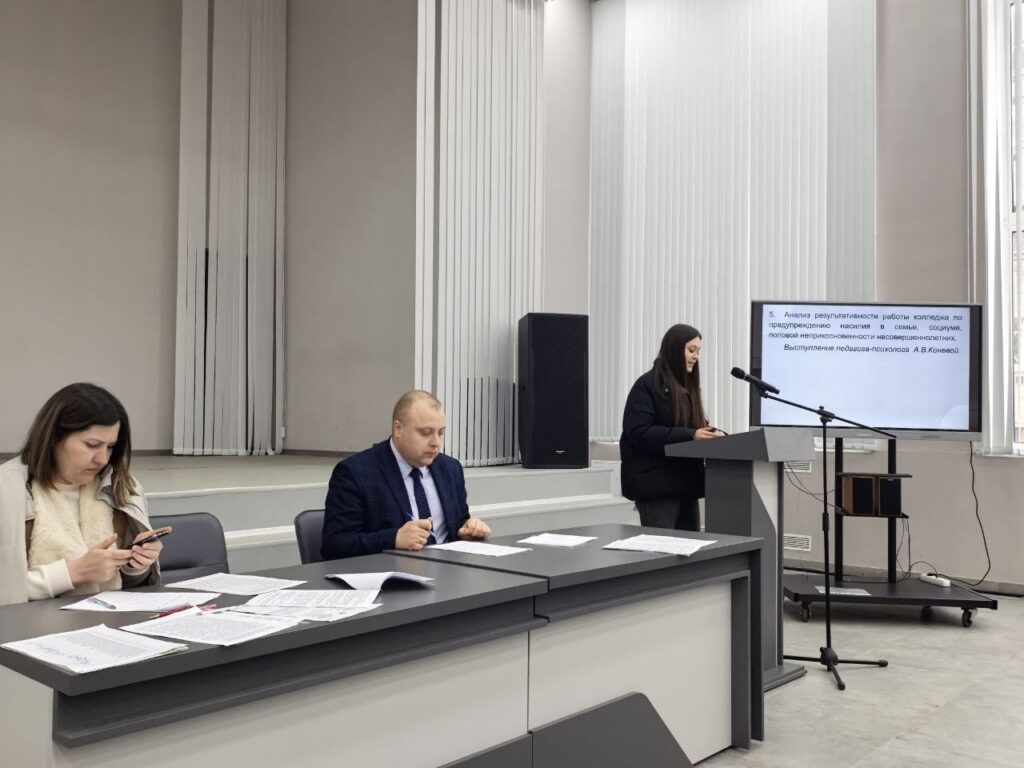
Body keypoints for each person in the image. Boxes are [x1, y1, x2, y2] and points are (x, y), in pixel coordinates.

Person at [0, 383, 170, 606]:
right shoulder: (7, 490)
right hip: (29, 624)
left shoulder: (122, 486)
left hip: (109, 620)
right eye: (92, 445)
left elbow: (131, 587)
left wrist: (136, 565)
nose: (103, 459)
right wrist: (73, 573)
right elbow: (6, 591)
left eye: (110, 446)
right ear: (53, 439)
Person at [322, 390, 492, 560]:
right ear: (398, 429)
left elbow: (460, 522)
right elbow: (334, 545)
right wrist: (393, 539)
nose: (436, 442)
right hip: (393, 571)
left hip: (450, 570)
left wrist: (469, 529)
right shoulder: (356, 473)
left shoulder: (450, 469)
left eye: (440, 432)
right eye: (426, 432)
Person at [620, 324, 724, 531]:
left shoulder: (687, 389)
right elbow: (639, 432)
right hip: (656, 487)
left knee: (690, 547)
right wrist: (691, 435)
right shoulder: (647, 385)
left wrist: (712, 434)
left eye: (698, 351)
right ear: (675, 349)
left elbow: (691, 428)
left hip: (685, 485)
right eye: (691, 350)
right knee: (662, 547)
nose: (696, 357)